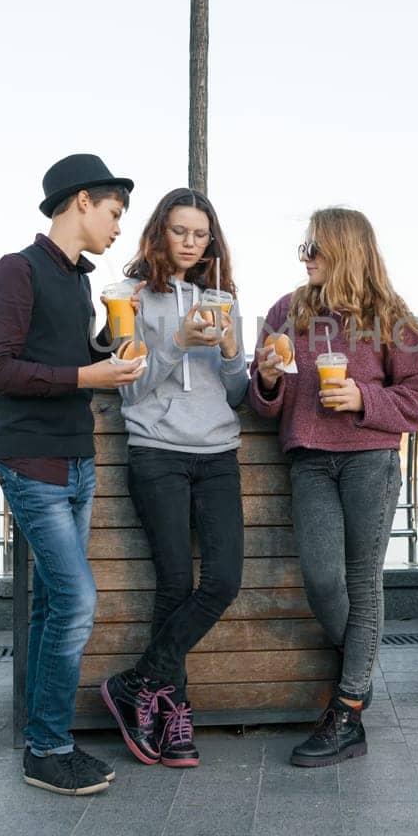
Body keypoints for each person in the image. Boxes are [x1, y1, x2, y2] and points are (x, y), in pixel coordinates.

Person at [0, 153, 141, 797]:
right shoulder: (16, 271)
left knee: (52, 603)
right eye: (114, 212)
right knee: (76, 600)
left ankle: (43, 741)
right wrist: (87, 376)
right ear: (80, 202)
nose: (118, 226)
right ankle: (48, 746)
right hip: (32, 460)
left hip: (78, 457)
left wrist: (105, 347)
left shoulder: (78, 281)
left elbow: (68, 358)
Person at [250, 207, 418, 767]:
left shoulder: (392, 318)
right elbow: (269, 401)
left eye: (315, 247)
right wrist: (263, 379)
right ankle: (358, 663)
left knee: (363, 581)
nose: (304, 257)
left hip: (368, 461)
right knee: (322, 578)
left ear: (347, 251)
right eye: (303, 248)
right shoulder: (286, 311)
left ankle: (349, 707)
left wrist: (363, 398)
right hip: (309, 459)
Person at [100, 188, 248, 769]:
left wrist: (233, 348)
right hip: (157, 452)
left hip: (217, 453)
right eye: (179, 231)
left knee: (223, 581)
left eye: (200, 234)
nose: (189, 243)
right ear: (160, 232)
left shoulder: (222, 298)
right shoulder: (128, 297)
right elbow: (129, 386)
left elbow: (236, 392)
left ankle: (137, 683)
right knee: (173, 586)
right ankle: (171, 718)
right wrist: (177, 345)